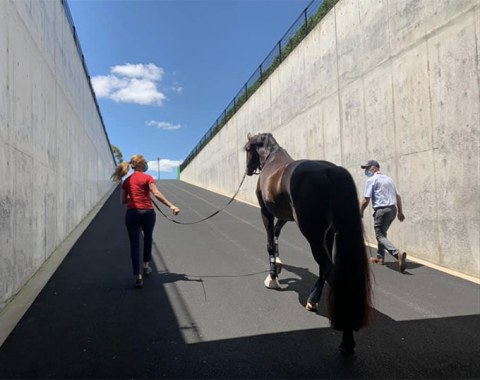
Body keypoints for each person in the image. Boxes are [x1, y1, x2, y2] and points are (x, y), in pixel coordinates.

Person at [111, 154, 180, 287]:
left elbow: (123, 201)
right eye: (146, 163)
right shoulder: (148, 178)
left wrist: (134, 198)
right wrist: (171, 205)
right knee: (148, 238)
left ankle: (137, 276)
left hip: (132, 214)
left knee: (134, 244)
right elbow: (156, 193)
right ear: (142, 165)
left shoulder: (127, 181)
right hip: (148, 213)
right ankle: (146, 266)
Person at [359, 160, 407, 272]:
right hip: (393, 210)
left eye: (367, 168)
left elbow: (366, 200)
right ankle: (380, 258)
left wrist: (360, 212)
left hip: (382, 210)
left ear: (375, 168)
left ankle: (397, 254)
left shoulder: (371, 180)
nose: (366, 171)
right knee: (382, 233)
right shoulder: (389, 179)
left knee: (379, 235)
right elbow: (398, 197)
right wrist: (400, 212)